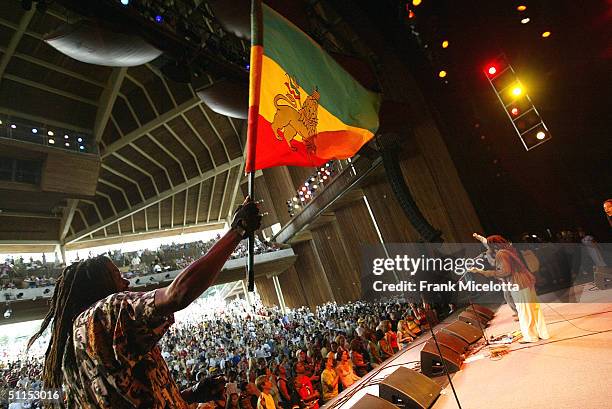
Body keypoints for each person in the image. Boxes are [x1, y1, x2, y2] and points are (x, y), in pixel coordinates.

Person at [27, 197, 261, 408]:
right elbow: (177, 294)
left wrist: (189, 396)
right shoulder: (104, 312)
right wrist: (237, 231)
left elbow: (126, 397)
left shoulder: (70, 353)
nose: (127, 283)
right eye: (118, 278)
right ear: (99, 286)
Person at [471, 235, 549, 343]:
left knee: (523, 311)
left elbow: (505, 272)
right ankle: (542, 333)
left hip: (518, 284)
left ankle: (531, 337)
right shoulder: (509, 250)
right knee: (534, 309)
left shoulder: (501, 254)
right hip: (526, 282)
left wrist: (484, 272)